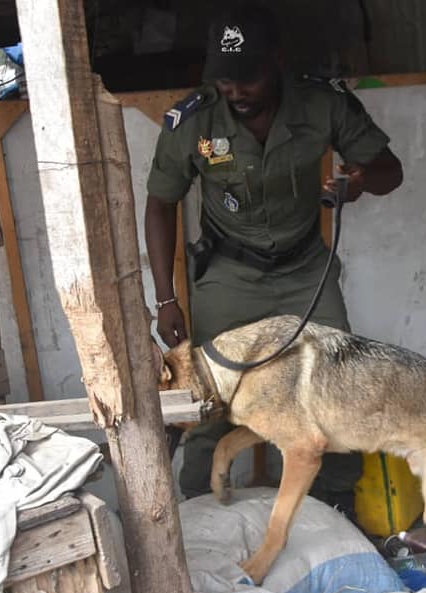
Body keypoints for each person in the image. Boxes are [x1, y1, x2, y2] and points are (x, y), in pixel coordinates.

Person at [143, 1, 403, 517]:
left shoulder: (321, 104)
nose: (235, 91)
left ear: (276, 63)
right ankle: (197, 512)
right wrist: (166, 298)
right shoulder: (194, 118)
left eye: (248, 78)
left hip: (305, 270)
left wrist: (357, 185)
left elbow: (388, 170)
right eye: (225, 79)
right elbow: (159, 203)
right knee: (210, 396)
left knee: (338, 385)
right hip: (228, 273)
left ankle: (335, 509)